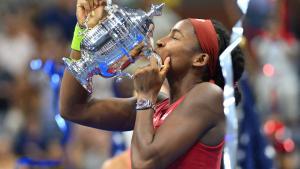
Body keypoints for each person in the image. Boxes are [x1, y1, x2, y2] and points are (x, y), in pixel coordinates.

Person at [59, 0, 245, 168]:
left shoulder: (209, 95)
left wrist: (145, 96)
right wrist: (83, 32)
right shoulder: (158, 105)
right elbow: (73, 109)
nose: (161, 42)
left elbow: (145, 163)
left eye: (175, 37)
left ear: (200, 59)